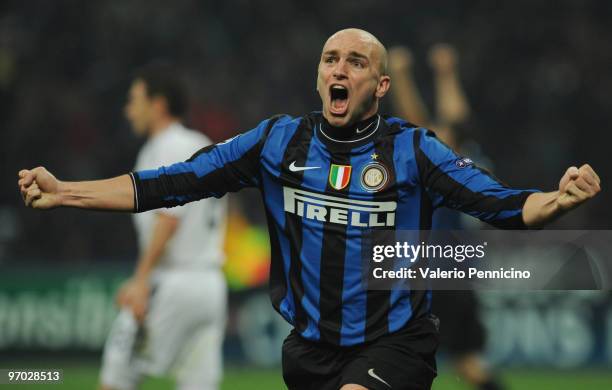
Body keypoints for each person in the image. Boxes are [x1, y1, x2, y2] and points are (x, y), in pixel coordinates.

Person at [18, 29, 600, 390]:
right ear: (318, 77)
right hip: (308, 350)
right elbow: (169, 184)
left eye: (355, 62)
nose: (339, 69)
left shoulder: (413, 149)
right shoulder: (277, 143)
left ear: (380, 85)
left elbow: (498, 204)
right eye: (330, 59)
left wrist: (557, 199)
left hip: (395, 343)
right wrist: (65, 190)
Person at [98, 64, 228, 390]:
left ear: (158, 104)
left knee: (117, 373)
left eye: (134, 100)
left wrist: (141, 280)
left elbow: (169, 219)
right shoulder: (201, 142)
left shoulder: (166, 147)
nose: (129, 110)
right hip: (210, 285)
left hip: (174, 283)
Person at [388, 44, 505, 390]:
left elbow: (438, 124)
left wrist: (409, 75)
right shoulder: (464, 164)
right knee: (466, 364)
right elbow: (439, 125)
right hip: (452, 276)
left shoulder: (453, 165)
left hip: (438, 276)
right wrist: (441, 72)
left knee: (395, 356)